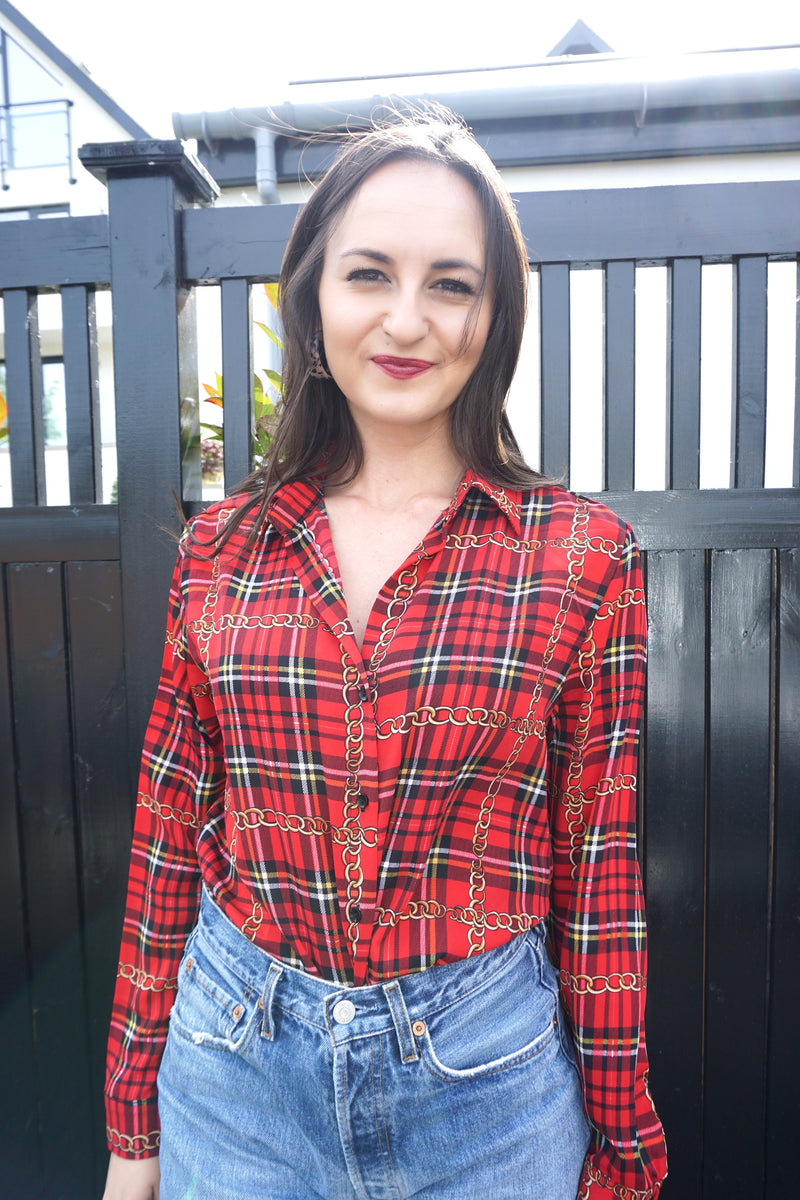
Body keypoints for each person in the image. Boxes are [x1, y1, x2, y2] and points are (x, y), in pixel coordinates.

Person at [103, 108, 667, 1200]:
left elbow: (595, 881)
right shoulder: (222, 552)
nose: (407, 319)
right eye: (369, 274)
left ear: (494, 313)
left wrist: (623, 1151)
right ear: (315, 294)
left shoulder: (581, 559)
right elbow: (168, 837)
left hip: (484, 1092)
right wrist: (133, 1133)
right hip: (233, 1077)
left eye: (451, 283)